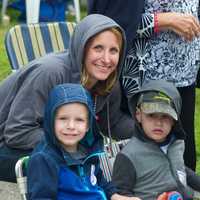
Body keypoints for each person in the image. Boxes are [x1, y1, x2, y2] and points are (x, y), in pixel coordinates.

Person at [0, 14, 135, 182]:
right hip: (6, 146)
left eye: (113, 50)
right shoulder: (51, 73)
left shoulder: (106, 80)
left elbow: (113, 122)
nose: (106, 59)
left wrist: (148, 131)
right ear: (83, 48)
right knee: (81, 168)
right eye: (98, 48)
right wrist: (74, 142)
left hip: (54, 142)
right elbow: (17, 132)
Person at [88, 0, 200, 171]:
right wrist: (164, 20)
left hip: (184, 78)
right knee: (149, 159)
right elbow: (110, 26)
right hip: (145, 81)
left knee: (184, 154)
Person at [27, 83, 139, 200]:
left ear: (88, 125)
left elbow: (99, 180)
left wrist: (116, 196)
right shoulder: (44, 159)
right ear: (51, 120)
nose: (71, 126)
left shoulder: (88, 150)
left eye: (79, 120)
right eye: (63, 118)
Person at [112, 80, 200, 200]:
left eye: (165, 116)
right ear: (138, 115)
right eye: (151, 115)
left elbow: (181, 169)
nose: (158, 123)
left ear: (174, 120)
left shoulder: (176, 144)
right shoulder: (128, 156)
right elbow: (120, 194)